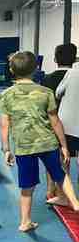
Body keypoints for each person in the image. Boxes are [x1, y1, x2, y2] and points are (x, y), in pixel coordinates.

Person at [0, 51, 79, 233]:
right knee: (60, 174)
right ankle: (74, 202)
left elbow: (4, 124)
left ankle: (25, 222)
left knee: (27, 186)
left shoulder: (6, 95)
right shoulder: (46, 92)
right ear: (35, 69)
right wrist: (64, 145)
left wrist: (6, 149)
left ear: (11, 70)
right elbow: (55, 121)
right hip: (47, 143)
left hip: (24, 146)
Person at [42, 43, 77, 198]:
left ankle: (52, 191)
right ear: (74, 58)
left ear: (55, 59)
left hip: (54, 123)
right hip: (73, 123)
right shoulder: (75, 75)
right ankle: (66, 194)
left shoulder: (47, 79)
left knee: (55, 158)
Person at [56, 50, 79, 187]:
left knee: (65, 158)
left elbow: (58, 93)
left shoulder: (72, 73)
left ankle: (65, 193)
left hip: (69, 125)